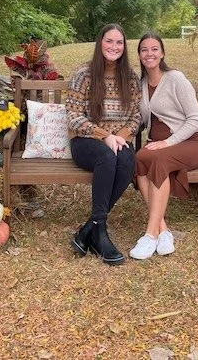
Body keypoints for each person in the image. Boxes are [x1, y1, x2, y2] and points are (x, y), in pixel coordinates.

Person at [66, 23, 142, 266]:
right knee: (107, 157)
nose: (114, 47)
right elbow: (74, 116)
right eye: (109, 41)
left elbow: (136, 116)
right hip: (86, 142)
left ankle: (91, 228)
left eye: (119, 42)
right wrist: (104, 136)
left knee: (128, 160)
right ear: (100, 43)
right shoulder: (84, 74)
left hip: (117, 139)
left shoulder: (130, 77)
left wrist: (119, 136)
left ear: (124, 47)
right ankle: (100, 233)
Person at [130, 32, 198, 260]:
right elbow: (142, 120)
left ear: (162, 53)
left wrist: (167, 142)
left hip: (190, 142)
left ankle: (149, 235)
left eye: (154, 49)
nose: (149, 53)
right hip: (158, 145)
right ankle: (163, 230)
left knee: (158, 159)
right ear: (139, 55)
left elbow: (195, 119)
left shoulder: (175, 79)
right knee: (138, 159)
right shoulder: (142, 84)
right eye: (144, 49)